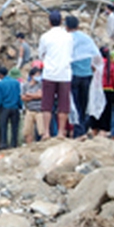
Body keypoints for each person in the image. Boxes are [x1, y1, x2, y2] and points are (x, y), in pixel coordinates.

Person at [38, 11, 73, 139]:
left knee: (47, 104)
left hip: (49, 73)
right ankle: (61, 132)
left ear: (49, 22)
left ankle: (46, 132)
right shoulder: (68, 37)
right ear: (61, 21)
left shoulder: (45, 37)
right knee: (63, 105)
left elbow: (41, 54)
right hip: (64, 73)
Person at [67, 16, 100, 138]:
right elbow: (96, 56)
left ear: (66, 27)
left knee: (75, 105)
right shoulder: (87, 39)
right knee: (85, 103)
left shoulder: (68, 39)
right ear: (78, 26)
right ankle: (85, 128)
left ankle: (79, 130)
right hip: (87, 75)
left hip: (74, 75)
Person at [91, 47, 114, 138]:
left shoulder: (96, 64)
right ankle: (103, 131)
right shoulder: (111, 65)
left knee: (96, 110)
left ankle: (94, 129)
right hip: (109, 90)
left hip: (97, 90)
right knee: (106, 112)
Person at [0, 67, 22, 149]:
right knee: (15, 127)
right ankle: (14, 143)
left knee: (3, 126)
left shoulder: (0, 84)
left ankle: (4, 143)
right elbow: (19, 95)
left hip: (5, 107)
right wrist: (20, 105)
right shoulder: (16, 83)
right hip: (15, 107)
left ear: (0, 75)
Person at [21, 62, 44, 144]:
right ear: (32, 76)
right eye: (37, 74)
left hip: (39, 110)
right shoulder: (25, 85)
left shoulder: (41, 85)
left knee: (42, 130)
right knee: (27, 131)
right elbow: (23, 97)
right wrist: (35, 95)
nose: (38, 76)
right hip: (29, 110)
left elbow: (41, 95)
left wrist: (29, 95)